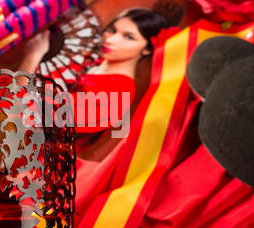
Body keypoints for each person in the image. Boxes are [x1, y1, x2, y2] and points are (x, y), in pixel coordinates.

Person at [18, 8, 170, 137]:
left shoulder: (118, 93)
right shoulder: (91, 60)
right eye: (112, 30)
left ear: (147, 49)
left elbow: (27, 113)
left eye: (129, 37)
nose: (111, 40)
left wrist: (31, 58)